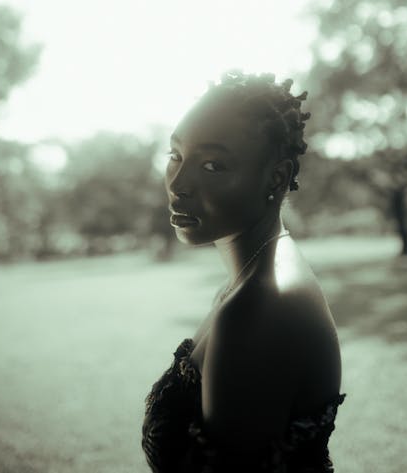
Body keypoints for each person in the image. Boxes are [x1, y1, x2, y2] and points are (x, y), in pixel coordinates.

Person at [142, 71, 346, 472]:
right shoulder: (251, 279)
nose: (178, 184)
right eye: (175, 156)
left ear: (276, 178)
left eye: (213, 165)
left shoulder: (260, 305)